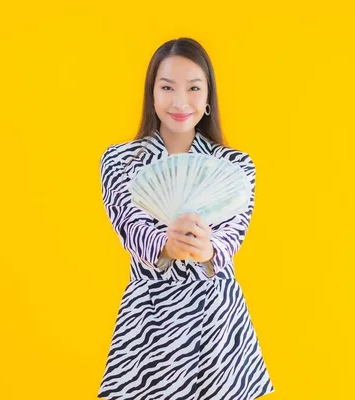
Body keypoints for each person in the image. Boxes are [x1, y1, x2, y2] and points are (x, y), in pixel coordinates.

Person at [97, 37, 275, 400]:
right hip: (149, 320)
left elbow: (232, 237)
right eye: (167, 88)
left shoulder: (237, 166)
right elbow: (130, 227)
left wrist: (208, 248)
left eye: (194, 88)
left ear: (208, 97)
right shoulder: (119, 161)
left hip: (217, 319)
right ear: (152, 94)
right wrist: (164, 244)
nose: (180, 102)